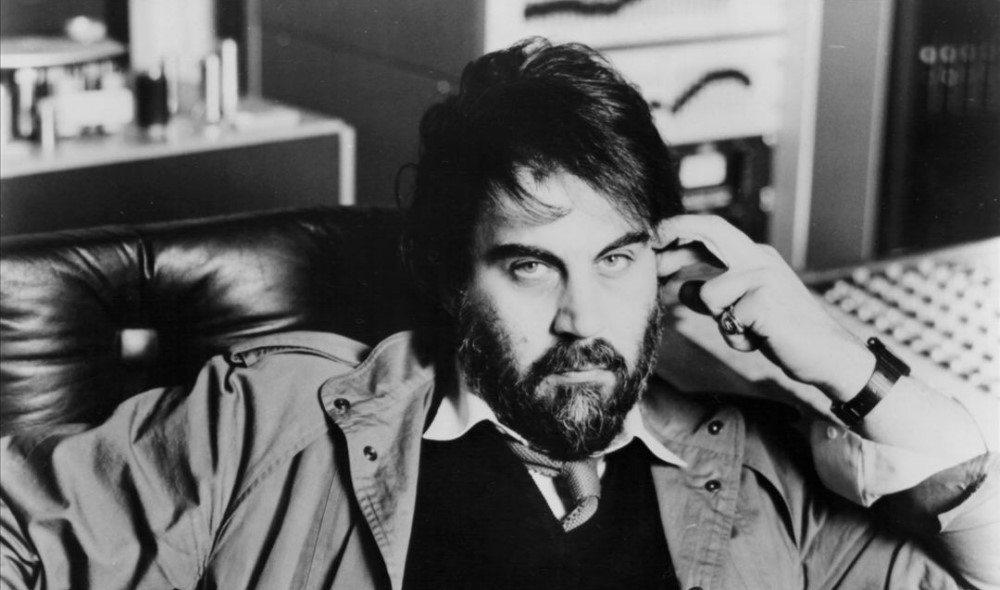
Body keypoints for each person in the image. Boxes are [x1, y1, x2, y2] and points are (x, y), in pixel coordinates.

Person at [1, 38, 997, 590]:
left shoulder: (752, 470)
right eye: (529, 267)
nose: (581, 318)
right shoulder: (272, 422)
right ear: (449, 275)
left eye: (616, 260)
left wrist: (850, 368)